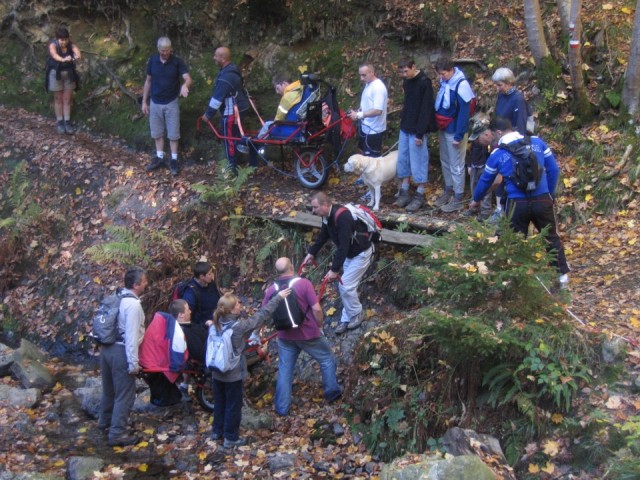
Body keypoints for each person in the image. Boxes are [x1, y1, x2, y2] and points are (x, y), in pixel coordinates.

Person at [468, 117, 570, 288]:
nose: (493, 138)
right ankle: (561, 278)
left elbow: (485, 180)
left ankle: (517, 281)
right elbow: (553, 169)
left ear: (498, 132)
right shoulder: (538, 143)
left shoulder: (498, 154)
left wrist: (475, 200)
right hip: (542, 199)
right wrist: (549, 193)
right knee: (551, 237)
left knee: (514, 240)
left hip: (517, 203)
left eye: (493, 135)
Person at [210, 288, 291, 448]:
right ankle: (231, 438)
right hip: (232, 374)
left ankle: (216, 432)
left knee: (220, 403)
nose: (241, 306)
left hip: (216, 372)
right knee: (233, 405)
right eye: (238, 304)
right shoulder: (238, 327)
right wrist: (278, 298)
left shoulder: (215, 324)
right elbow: (261, 316)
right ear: (232, 310)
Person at [262, 258, 342, 416]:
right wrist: (319, 325)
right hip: (308, 334)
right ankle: (332, 393)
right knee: (326, 359)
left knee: (285, 370)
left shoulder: (272, 289)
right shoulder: (304, 284)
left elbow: (263, 313)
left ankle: (282, 408)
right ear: (292, 266)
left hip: (285, 336)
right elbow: (317, 309)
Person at [304, 192, 373, 334]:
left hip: (361, 253)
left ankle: (357, 313)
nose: (313, 211)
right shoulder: (326, 217)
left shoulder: (342, 217)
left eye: (315, 207)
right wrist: (311, 253)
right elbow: (323, 236)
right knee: (344, 286)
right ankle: (346, 318)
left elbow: (343, 245)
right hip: (350, 255)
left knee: (346, 286)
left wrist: (334, 270)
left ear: (325, 205)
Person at [98, 266, 148, 447]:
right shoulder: (133, 305)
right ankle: (118, 433)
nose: (146, 284)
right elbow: (131, 336)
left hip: (106, 349)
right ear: (136, 285)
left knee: (109, 390)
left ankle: (105, 423)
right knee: (125, 395)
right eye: (144, 282)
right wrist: (133, 363)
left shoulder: (118, 297)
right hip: (120, 352)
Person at [142, 36, 192, 176]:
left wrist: (185, 86)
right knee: (157, 132)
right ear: (158, 49)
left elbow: (188, 78)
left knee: (173, 133)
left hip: (171, 101)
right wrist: (144, 101)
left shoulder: (177, 62)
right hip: (155, 101)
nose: (166, 53)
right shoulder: (152, 61)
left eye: (168, 50)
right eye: (163, 51)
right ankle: (159, 157)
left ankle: (174, 159)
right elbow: (148, 81)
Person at [201, 46, 255, 174]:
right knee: (235, 138)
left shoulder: (227, 76)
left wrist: (207, 115)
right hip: (240, 109)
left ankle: (232, 168)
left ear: (223, 58)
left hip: (232, 112)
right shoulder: (231, 71)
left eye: (216, 56)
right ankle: (240, 164)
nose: (214, 58)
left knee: (229, 139)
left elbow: (217, 98)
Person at [393, 58, 436, 213]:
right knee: (403, 159)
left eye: (406, 71)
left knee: (418, 161)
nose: (405, 74)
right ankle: (404, 190)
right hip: (405, 126)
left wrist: (420, 133)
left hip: (418, 130)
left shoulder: (425, 83)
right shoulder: (407, 82)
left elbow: (426, 109)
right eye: (402, 72)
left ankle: (420, 193)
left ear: (414, 67)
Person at [434, 57, 475, 213]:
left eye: (443, 74)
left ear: (451, 70)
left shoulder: (461, 85)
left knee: (456, 164)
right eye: (439, 74)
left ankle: (458, 196)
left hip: (455, 131)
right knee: (445, 160)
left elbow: (464, 113)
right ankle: (449, 189)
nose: (441, 77)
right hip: (443, 128)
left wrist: (459, 135)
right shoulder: (445, 83)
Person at [491, 67, 530, 221]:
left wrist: (514, 146)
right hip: (499, 139)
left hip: (511, 143)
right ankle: (499, 208)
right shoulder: (501, 96)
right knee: (496, 174)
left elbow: (520, 125)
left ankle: (508, 211)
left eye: (500, 85)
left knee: (507, 175)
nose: (497, 88)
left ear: (508, 83)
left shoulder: (518, 99)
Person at [139, 300, 189, 407]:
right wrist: (177, 367)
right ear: (181, 315)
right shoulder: (175, 330)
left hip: (146, 360)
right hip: (154, 365)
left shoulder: (164, 322)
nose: (191, 311)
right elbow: (177, 351)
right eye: (188, 309)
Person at [46, 27, 81, 135]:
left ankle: (67, 121)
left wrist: (75, 57)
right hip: (56, 74)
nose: (64, 42)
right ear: (57, 39)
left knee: (67, 99)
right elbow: (54, 55)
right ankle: (60, 121)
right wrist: (63, 59)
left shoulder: (71, 45)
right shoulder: (53, 45)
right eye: (62, 40)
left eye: (66, 39)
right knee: (58, 98)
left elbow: (78, 53)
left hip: (69, 74)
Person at [348, 63, 388, 157]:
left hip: (374, 130)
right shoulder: (368, 84)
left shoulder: (378, 87)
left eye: (364, 75)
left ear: (372, 72)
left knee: (372, 159)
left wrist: (359, 115)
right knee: (362, 152)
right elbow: (368, 104)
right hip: (365, 126)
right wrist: (357, 112)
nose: (361, 78)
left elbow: (378, 110)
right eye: (360, 75)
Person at [463, 113, 494, 221]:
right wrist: (469, 165)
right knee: (474, 187)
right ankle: (473, 206)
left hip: (485, 166)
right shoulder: (475, 139)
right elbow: (469, 152)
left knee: (486, 188)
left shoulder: (488, 141)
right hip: (474, 166)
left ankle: (485, 210)